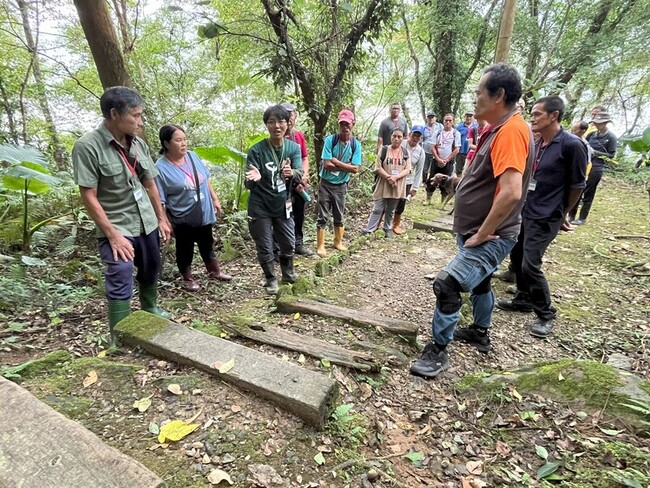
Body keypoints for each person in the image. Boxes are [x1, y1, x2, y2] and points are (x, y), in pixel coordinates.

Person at [410, 63, 534, 378]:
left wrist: (484, 233)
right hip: (480, 230)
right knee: (479, 282)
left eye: (479, 92)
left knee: (448, 284)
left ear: (498, 96)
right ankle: (480, 331)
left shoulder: (510, 131)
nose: (475, 98)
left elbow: (510, 192)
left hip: (492, 234)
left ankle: (438, 351)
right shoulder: (497, 128)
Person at [72, 86, 172, 347]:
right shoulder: (88, 146)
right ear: (114, 114)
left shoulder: (138, 144)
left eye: (141, 115)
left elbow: (150, 184)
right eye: (135, 116)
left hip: (146, 221)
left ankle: (150, 308)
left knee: (151, 266)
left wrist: (161, 218)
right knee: (120, 270)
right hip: (116, 224)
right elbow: (89, 195)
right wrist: (113, 235)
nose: (140, 122)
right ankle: (119, 331)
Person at [496, 97, 587, 338]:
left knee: (530, 263)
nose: (532, 118)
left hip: (547, 215)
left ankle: (545, 313)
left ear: (553, 115)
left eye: (537, 114)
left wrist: (563, 212)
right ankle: (523, 298)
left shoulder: (571, 145)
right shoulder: (538, 142)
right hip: (526, 208)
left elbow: (578, 184)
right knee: (516, 254)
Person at [155, 124, 231, 292]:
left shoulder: (192, 156)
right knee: (185, 248)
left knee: (207, 242)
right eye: (178, 140)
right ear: (166, 143)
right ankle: (188, 278)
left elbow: (205, 179)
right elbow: (160, 199)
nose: (183, 144)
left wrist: (215, 199)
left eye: (184, 139)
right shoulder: (160, 168)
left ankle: (214, 271)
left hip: (203, 210)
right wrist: (164, 221)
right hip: (183, 216)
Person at [245, 105, 303, 294]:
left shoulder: (293, 148)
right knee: (265, 245)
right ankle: (270, 279)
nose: (276, 126)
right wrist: (255, 179)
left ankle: (288, 272)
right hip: (259, 205)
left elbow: (300, 172)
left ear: (288, 123)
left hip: (282, 202)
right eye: (271, 122)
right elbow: (248, 184)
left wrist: (292, 172)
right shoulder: (256, 150)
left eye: (281, 121)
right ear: (266, 125)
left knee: (288, 241)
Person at [316, 109, 362, 257]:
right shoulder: (331, 140)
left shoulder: (355, 145)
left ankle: (338, 241)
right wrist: (344, 165)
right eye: (342, 124)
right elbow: (326, 164)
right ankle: (321, 245)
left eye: (347, 124)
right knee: (322, 214)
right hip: (325, 183)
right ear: (338, 125)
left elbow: (355, 169)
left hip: (341, 185)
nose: (345, 127)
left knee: (339, 214)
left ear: (353, 124)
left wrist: (335, 161)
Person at [571, 112, 617, 225]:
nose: (597, 125)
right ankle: (571, 216)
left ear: (605, 123)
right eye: (595, 123)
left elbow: (611, 155)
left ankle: (582, 217)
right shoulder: (592, 135)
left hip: (597, 167)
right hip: (585, 164)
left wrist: (595, 152)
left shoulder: (611, 137)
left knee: (589, 192)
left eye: (599, 123)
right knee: (578, 189)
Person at [364, 128, 411, 238]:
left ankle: (387, 228)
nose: (396, 139)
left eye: (399, 137)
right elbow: (378, 167)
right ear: (391, 137)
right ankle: (369, 229)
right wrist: (389, 177)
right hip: (383, 184)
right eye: (394, 136)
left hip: (397, 186)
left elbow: (408, 169)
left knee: (391, 209)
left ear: (403, 138)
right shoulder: (384, 150)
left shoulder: (405, 152)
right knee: (377, 208)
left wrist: (396, 178)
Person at [281, 102, 313, 256]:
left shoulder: (299, 136)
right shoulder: (277, 137)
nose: (289, 118)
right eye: (285, 115)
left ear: (295, 116)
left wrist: (304, 175)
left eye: (291, 114)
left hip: (299, 184)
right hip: (284, 185)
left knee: (299, 213)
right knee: (285, 214)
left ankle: (298, 243)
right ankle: (282, 246)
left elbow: (305, 157)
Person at [393, 126, 425, 235]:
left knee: (401, 203)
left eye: (418, 136)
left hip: (407, 181)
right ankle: (381, 222)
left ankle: (396, 224)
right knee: (388, 200)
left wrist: (415, 187)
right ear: (410, 134)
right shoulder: (401, 143)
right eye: (414, 135)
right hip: (394, 177)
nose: (415, 138)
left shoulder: (420, 152)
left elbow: (419, 171)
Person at [425, 113, 460, 204]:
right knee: (431, 179)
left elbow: (457, 149)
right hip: (436, 160)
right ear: (443, 121)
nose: (448, 122)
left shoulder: (456, 133)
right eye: (446, 120)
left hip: (448, 162)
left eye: (450, 120)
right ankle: (428, 199)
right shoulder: (437, 132)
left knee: (447, 182)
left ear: (453, 122)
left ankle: (442, 201)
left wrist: (446, 160)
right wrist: (438, 159)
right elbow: (432, 147)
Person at [422, 111, 442, 184]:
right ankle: (424, 181)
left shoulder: (440, 126)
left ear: (435, 118)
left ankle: (435, 181)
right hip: (426, 150)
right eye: (429, 117)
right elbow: (421, 139)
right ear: (427, 118)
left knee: (435, 167)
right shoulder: (424, 127)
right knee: (425, 167)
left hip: (437, 151)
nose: (431, 119)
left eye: (432, 117)